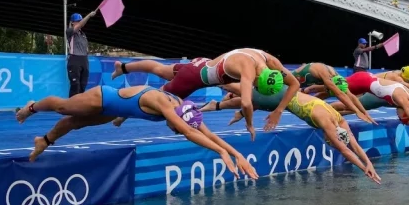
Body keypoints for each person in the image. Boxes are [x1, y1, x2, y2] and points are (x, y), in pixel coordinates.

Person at [14, 86, 258, 180]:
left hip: (116, 109)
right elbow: (188, 133)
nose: (173, 131)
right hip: (104, 96)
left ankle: (44, 141)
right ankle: (32, 107)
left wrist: (236, 154)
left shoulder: (185, 108)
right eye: (175, 129)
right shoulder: (167, 106)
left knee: (75, 123)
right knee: (63, 107)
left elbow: (205, 133)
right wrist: (220, 153)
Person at [205, 84, 382, 184]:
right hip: (282, 98)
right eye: (330, 142)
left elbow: (354, 146)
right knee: (244, 93)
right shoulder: (326, 122)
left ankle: (221, 105)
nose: (329, 142)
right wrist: (363, 168)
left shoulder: (340, 122)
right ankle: (210, 77)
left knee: (254, 101)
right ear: (331, 136)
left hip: (285, 97)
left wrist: (368, 164)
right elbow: (345, 150)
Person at [110, 48, 299, 138]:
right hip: (193, 79)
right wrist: (249, 125)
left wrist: (279, 111)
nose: (254, 88)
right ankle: (122, 115)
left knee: (161, 69)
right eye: (256, 87)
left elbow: (295, 84)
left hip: (200, 63)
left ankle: (123, 67)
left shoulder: (269, 61)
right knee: (158, 101)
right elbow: (247, 103)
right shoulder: (248, 71)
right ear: (258, 80)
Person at [290, 62, 375, 124]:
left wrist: (364, 112)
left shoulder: (338, 78)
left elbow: (350, 96)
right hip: (297, 77)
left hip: (312, 80)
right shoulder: (325, 75)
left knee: (317, 95)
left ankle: (311, 102)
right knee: (305, 92)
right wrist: (357, 111)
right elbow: (339, 94)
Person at [66, 11, 97, 96]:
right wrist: (89, 15)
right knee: (75, 85)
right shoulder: (70, 32)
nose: (80, 22)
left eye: (80, 20)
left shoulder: (83, 35)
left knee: (83, 85)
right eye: (78, 21)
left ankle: (80, 106)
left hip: (84, 60)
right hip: (75, 59)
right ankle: (71, 107)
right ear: (72, 22)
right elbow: (80, 25)